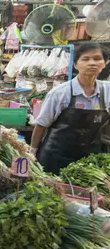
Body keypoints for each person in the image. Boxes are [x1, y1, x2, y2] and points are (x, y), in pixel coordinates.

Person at [31, 43, 110, 175]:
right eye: (85, 59)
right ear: (75, 65)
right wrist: (32, 150)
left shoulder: (107, 91)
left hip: (89, 158)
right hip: (56, 156)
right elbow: (41, 125)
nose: (92, 63)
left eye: (97, 59)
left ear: (105, 63)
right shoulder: (60, 93)